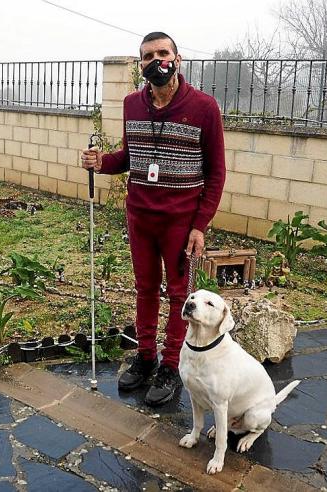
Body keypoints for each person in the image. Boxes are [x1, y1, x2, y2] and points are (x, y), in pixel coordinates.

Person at [81, 32, 226, 406]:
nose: (157, 60)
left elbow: (216, 173)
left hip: (180, 221)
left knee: (180, 295)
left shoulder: (204, 107)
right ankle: (146, 358)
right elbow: (130, 157)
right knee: (145, 288)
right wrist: (102, 162)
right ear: (141, 64)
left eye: (164, 53)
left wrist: (200, 225)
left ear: (178, 58)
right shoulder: (133, 104)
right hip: (140, 215)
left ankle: (171, 365)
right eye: (148, 56)